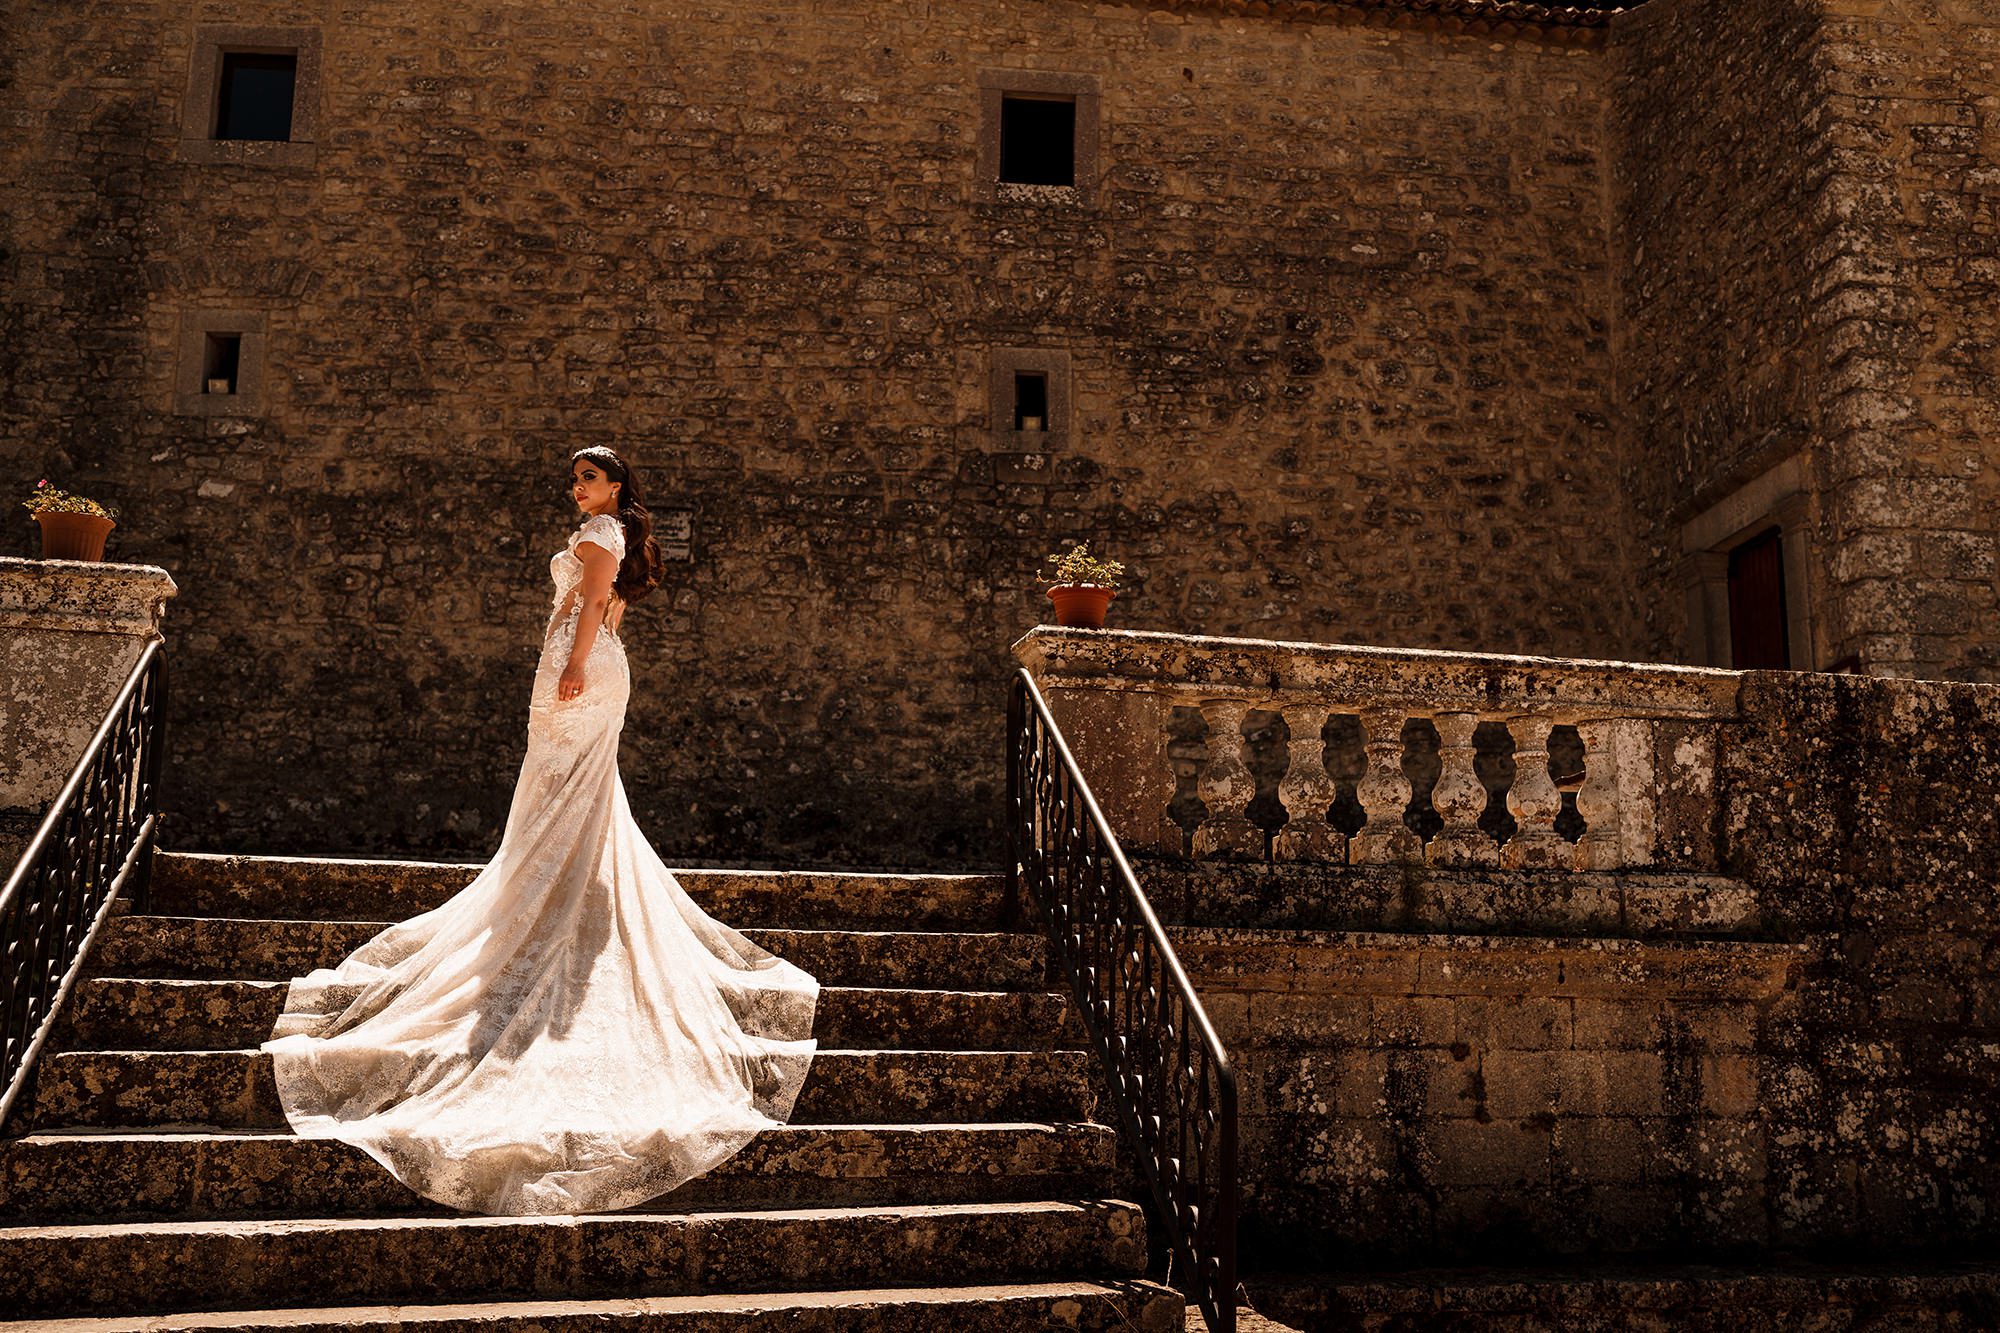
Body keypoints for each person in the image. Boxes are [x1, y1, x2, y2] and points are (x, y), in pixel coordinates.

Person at [261, 447, 818, 1215]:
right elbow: (601, 604)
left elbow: (591, 606)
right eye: (576, 478)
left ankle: (550, 904)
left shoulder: (601, 534)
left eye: (588, 477)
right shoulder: (612, 534)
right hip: (590, 662)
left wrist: (573, 665)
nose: (577, 487)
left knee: (562, 792)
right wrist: (579, 652)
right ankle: (551, 896)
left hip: (582, 668)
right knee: (565, 797)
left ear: (616, 485)